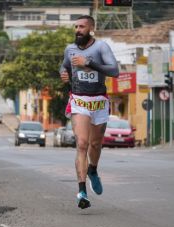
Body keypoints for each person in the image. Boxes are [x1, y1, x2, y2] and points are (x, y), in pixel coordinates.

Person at [60, 15, 119, 209]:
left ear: (91, 28)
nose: (78, 30)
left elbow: (114, 71)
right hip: (79, 100)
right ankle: (82, 191)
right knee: (82, 144)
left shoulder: (101, 47)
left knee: (95, 144)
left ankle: (93, 170)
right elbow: (65, 65)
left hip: (99, 102)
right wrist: (63, 72)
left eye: (82, 26)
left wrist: (89, 63)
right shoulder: (70, 49)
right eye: (76, 26)